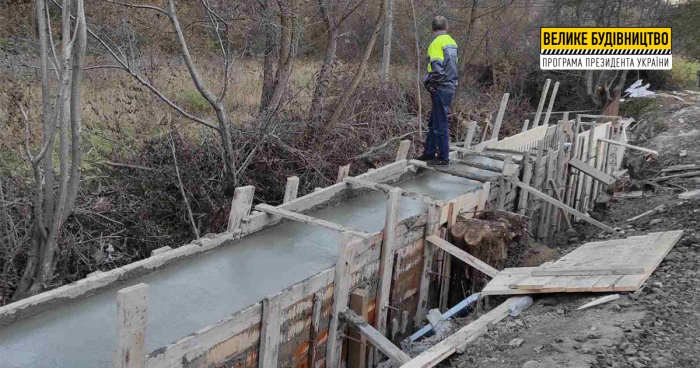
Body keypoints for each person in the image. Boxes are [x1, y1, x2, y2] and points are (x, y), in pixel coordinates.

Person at [416, 15, 458, 166]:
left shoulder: (436, 43)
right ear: (447, 27)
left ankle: (443, 158)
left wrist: (431, 83)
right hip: (450, 86)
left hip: (441, 87)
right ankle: (429, 152)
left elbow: (438, 69)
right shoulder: (452, 42)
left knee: (440, 124)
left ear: (432, 29)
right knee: (434, 121)